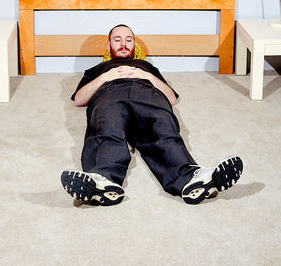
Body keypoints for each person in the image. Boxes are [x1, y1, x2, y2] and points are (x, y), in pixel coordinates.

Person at [60, 24, 243, 206]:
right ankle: (102, 179)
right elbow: (79, 99)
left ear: (134, 45)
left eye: (128, 39)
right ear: (109, 46)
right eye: (117, 40)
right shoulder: (99, 69)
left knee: (162, 127)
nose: (123, 43)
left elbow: (170, 97)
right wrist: (106, 76)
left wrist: (146, 75)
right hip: (110, 95)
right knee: (107, 127)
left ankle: (190, 179)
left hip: (146, 95)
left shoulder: (146, 67)